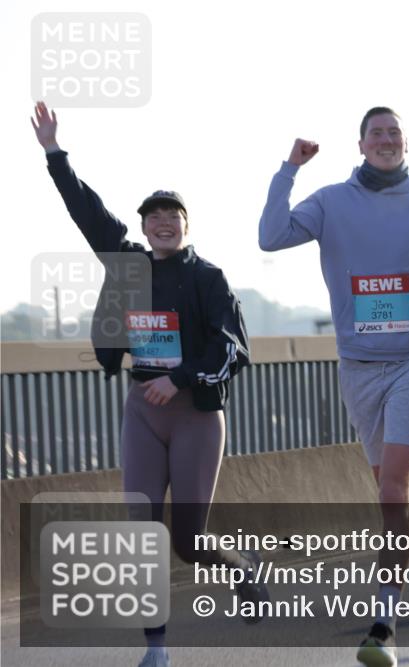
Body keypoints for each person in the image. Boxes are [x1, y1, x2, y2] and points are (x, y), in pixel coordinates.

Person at [31, 101, 267, 667]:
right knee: (142, 529)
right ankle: (156, 647)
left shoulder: (209, 278)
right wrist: (54, 153)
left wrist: (179, 379)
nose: (163, 222)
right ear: (141, 227)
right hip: (141, 409)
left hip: (195, 414)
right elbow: (85, 211)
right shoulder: (128, 264)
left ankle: (241, 570)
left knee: (187, 541)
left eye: (173, 215)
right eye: (153, 216)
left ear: (186, 224)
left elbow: (233, 348)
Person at [258, 107, 409, 666]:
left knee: (392, 492)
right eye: (376, 132)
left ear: (404, 142)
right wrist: (289, 168)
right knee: (396, 492)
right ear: (361, 144)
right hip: (357, 367)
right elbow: (270, 237)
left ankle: (382, 621)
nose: (385, 139)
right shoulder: (331, 202)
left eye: (394, 132)